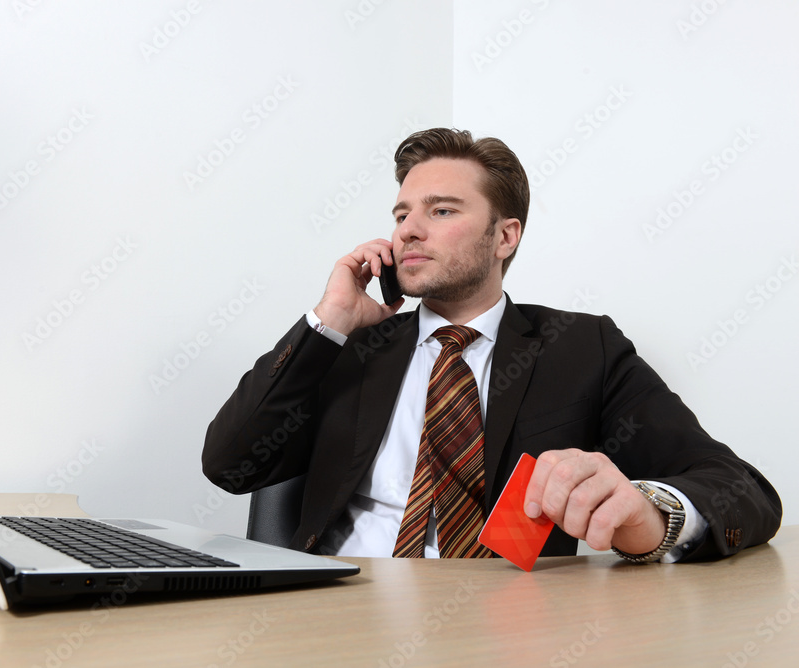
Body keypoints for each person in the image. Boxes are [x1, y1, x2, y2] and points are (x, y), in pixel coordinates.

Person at [201, 127, 781, 562]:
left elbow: (740, 488)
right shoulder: (349, 346)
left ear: (505, 236)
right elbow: (229, 464)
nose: (407, 229)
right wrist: (329, 321)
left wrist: (651, 517)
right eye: (401, 214)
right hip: (342, 609)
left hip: (506, 625)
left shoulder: (582, 348)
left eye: (441, 210)